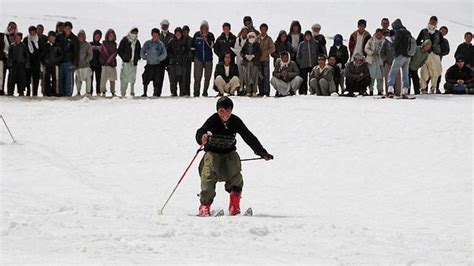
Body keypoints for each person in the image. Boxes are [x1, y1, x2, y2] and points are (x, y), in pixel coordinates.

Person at [195, 96, 273, 216]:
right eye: (221, 111)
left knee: (235, 176)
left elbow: (248, 136)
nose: (225, 114)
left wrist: (262, 152)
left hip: (229, 154)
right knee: (208, 177)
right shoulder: (213, 120)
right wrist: (202, 137)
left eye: (228, 111)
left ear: (231, 110)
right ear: (217, 110)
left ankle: (234, 205)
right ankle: (205, 206)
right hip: (212, 154)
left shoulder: (235, 121)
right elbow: (200, 132)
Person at [387, 18, 412, 98]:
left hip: (400, 55)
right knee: (405, 74)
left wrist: (391, 40)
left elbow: (394, 44)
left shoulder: (398, 32)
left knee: (392, 73)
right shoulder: (408, 32)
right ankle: (405, 91)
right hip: (408, 56)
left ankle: (390, 90)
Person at [417, 16, 442, 94]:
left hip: (435, 55)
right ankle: (423, 88)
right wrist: (422, 48)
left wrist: (440, 51)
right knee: (424, 71)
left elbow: (442, 43)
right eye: (432, 21)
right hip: (425, 54)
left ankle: (433, 88)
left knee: (436, 71)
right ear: (429, 21)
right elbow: (417, 41)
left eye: (435, 22)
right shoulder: (424, 31)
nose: (433, 23)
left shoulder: (438, 33)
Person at [140, 28, 167, 97]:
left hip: (157, 65)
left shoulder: (161, 44)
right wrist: (144, 57)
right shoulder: (147, 43)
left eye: (156, 35)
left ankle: (155, 93)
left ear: (158, 36)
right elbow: (142, 51)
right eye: (153, 35)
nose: (155, 36)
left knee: (157, 80)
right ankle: (145, 93)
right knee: (145, 79)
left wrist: (159, 58)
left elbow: (164, 53)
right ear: (151, 35)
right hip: (149, 64)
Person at [56, 21, 79, 97]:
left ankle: (68, 94)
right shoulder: (59, 36)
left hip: (69, 62)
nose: (67, 29)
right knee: (61, 79)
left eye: (69, 28)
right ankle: (61, 94)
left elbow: (76, 52)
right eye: (66, 28)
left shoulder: (74, 38)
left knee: (68, 80)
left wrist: (75, 64)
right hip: (61, 61)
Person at [193, 20, 215, 97]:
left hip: (208, 59)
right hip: (198, 58)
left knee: (207, 77)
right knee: (197, 77)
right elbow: (193, 46)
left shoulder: (211, 35)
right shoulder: (196, 35)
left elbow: (211, 45)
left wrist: (206, 38)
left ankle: (205, 91)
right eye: (203, 28)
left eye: (206, 28)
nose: (204, 29)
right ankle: (196, 92)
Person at [118, 27, 141, 97]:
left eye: (136, 33)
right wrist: (124, 57)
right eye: (133, 32)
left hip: (133, 62)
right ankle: (123, 93)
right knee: (124, 78)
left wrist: (137, 58)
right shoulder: (125, 40)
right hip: (126, 62)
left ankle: (132, 92)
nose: (134, 34)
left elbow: (139, 51)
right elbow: (119, 50)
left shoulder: (137, 41)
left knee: (133, 78)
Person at [168, 27, 191, 96]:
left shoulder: (184, 41)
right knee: (173, 80)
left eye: (179, 33)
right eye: (176, 33)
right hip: (173, 64)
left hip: (182, 64)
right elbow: (168, 51)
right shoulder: (171, 41)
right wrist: (172, 58)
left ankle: (182, 93)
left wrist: (184, 58)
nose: (178, 34)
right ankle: (173, 92)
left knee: (183, 80)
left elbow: (187, 52)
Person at [296, 31, 318, 95]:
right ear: (305, 36)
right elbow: (298, 55)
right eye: (307, 35)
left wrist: (316, 62)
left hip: (313, 65)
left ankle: (312, 91)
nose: (308, 37)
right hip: (304, 65)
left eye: (309, 35)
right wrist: (300, 63)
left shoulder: (314, 44)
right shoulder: (301, 44)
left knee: (312, 79)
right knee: (304, 79)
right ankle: (303, 91)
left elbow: (317, 53)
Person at [380, 29, 402, 96]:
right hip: (388, 63)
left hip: (396, 63)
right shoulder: (386, 42)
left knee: (398, 79)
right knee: (388, 78)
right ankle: (389, 92)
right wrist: (385, 59)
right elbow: (381, 53)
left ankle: (397, 92)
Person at [364, 28, 385, 96]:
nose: (379, 35)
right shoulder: (371, 40)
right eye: (377, 34)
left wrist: (381, 54)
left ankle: (380, 90)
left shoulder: (384, 41)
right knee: (371, 76)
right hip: (372, 60)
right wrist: (371, 52)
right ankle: (371, 90)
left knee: (380, 77)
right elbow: (366, 48)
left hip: (380, 60)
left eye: (380, 34)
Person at [41, 31, 62, 97]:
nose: (52, 38)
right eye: (50, 37)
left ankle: (55, 91)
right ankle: (47, 92)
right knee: (46, 79)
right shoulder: (45, 45)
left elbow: (61, 55)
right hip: (46, 65)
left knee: (55, 79)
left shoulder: (57, 45)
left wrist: (56, 61)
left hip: (54, 65)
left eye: (53, 37)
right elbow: (42, 55)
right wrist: (44, 61)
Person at [257, 23, 275, 97]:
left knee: (266, 76)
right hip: (258, 60)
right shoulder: (257, 38)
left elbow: (273, 48)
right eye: (262, 29)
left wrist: (266, 53)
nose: (263, 30)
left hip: (265, 60)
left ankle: (266, 91)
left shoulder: (269, 39)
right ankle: (261, 91)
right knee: (259, 76)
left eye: (265, 29)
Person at [240, 32, 261, 97]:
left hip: (254, 63)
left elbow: (259, 53)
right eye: (250, 36)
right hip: (247, 63)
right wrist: (245, 56)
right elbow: (241, 52)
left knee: (255, 77)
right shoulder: (245, 44)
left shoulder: (257, 45)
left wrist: (253, 56)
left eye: (253, 37)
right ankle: (248, 91)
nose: (251, 38)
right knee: (247, 77)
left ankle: (254, 91)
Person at [23, 26, 41, 97]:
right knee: (27, 78)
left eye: (33, 31)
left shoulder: (39, 39)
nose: (32, 33)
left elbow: (42, 50)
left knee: (36, 78)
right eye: (30, 32)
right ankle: (28, 91)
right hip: (28, 62)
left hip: (36, 62)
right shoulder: (26, 39)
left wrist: (39, 57)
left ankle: (35, 92)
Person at [99, 29, 118, 96]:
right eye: (110, 35)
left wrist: (111, 62)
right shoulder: (104, 44)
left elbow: (115, 54)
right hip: (104, 64)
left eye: (112, 35)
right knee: (103, 79)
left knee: (112, 79)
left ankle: (113, 91)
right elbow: (101, 54)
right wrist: (103, 62)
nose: (111, 37)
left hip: (112, 64)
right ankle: (103, 91)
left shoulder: (115, 44)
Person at [231, 26, 249, 95]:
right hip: (239, 59)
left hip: (246, 60)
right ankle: (240, 88)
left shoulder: (249, 40)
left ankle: (247, 88)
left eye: (246, 32)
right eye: (243, 31)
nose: (244, 33)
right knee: (240, 74)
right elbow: (236, 48)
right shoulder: (238, 40)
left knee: (246, 74)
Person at [75, 30, 93, 95]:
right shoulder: (76, 45)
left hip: (86, 65)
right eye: (79, 36)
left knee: (88, 79)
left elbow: (90, 54)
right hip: (78, 66)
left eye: (82, 36)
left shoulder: (88, 45)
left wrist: (86, 60)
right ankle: (78, 92)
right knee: (78, 80)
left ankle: (88, 92)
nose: (80, 37)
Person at [160, 19, 175, 96]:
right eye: (163, 25)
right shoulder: (158, 36)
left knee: (172, 77)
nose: (164, 27)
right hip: (160, 60)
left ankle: (173, 92)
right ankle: (157, 92)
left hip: (170, 60)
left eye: (166, 25)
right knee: (159, 77)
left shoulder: (172, 36)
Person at [182, 25, 194, 96]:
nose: (185, 32)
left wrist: (192, 58)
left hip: (188, 60)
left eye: (187, 31)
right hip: (182, 60)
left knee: (188, 77)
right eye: (184, 31)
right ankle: (182, 91)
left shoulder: (191, 39)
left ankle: (188, 92)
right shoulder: (181, 39)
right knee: (182, 77)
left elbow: (193, 49)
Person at [90, 30, 102, 96]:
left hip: (98, 65)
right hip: (91, 64)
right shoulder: (90, 44)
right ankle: (90, 92)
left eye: (99, 36)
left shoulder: (101, 45)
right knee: (90, 80)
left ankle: (98, 92)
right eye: (96, 36)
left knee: (98, 79)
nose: (97, 37)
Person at [0, 28, 9, 95]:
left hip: (0, 59)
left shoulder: (2, 36)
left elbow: (7, 47)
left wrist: (4, 54)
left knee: (1, 75)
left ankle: (0, 90)